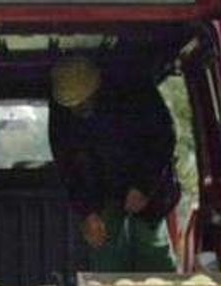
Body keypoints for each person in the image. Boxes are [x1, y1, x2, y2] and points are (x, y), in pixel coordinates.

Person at [48, 57, 180, 272]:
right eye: (72, 105)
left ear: (98, 86)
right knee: (106, 258)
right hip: (103, 193)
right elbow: (67, 164)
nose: (78, 108)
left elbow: (164, 138)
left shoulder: (135, 89)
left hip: (150, 190)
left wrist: (143, 186)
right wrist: (87, 211)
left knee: (154, 255)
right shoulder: (61, 110)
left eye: (83, 101)